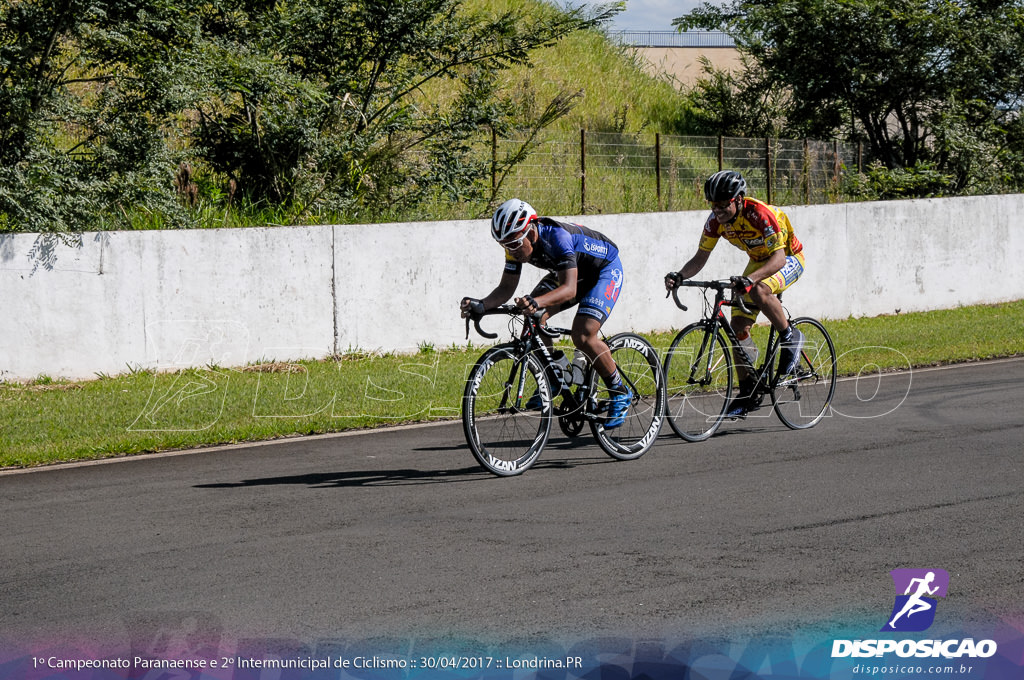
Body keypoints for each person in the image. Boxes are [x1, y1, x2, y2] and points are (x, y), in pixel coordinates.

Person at [461, 198, 631, 427]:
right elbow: (505, 288)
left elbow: (569, 289)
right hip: (573, 271)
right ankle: (555, 374)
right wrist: (481, 305)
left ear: (530, 232)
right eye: (504, 245)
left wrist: (536, 300)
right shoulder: (516, 243)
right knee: (533, 319)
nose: (510, 250)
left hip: (603, 271)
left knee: (583, 334)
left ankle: (619, 391)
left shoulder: (557, 237)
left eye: (512, 244)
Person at [664, 170, 806, 418]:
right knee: (737, 326)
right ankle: (748, 390)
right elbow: (700, 257)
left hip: (787, 259)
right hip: (759, 261)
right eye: (713, 205)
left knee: (760, 289)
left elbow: (779, 258)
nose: (717, 210)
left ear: (739, 199)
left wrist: (751, 279)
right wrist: (680, 276)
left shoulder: (760, 214)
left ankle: (790, 337)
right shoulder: (715, 221)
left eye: (722, 205)